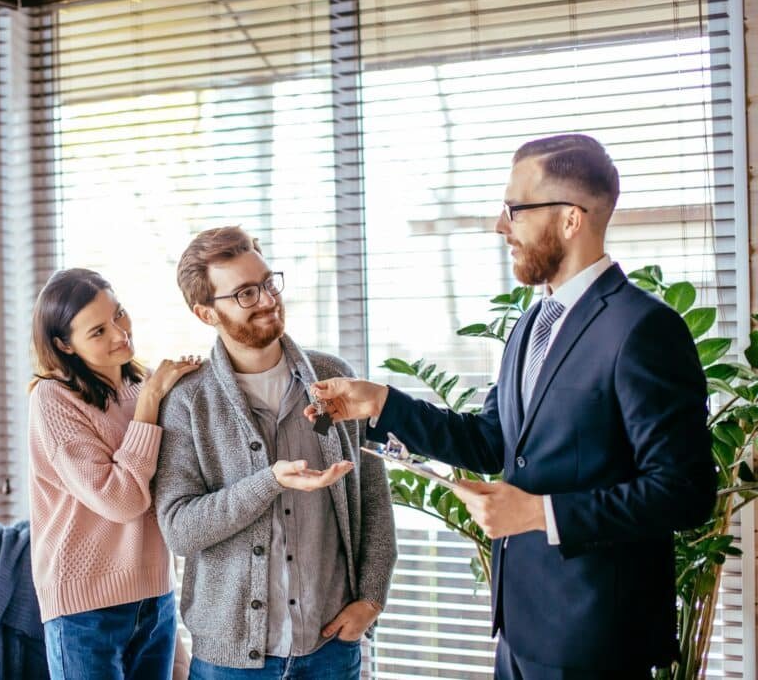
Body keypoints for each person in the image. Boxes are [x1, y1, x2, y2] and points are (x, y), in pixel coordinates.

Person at [306, 134, 716, 678]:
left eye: (515, 210)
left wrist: (539, 513)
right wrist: (381, 404)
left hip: (598, 640)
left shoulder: (644, 329)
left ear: (572, 219)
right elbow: (492, 442)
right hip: (519, 631)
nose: (501, 226)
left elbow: (685, 492)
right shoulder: (530, 324)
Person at [153, 227, 398, 679]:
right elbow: (180, 530)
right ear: (206, 313)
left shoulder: (333, 377)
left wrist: (371, 599)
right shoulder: (189, 402)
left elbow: (373, 500)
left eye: (267, 283)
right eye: (245, 293)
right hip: (230, 665)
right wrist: (269, 481)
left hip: (330, 650)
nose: (267, 299)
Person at [27, 268, 199, 680]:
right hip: (84, 609)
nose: (121, 334)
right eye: (98, 331)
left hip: (155, 597)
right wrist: (153, 401)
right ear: (63, 345)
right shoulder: (54, 399)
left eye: (119, 315)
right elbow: (120, 500)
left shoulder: (142, 386)